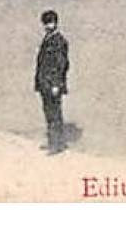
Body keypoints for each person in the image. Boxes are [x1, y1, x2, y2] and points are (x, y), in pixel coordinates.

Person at [35, 9, 71, 154]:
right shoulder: (48, 39)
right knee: (49, 112)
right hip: (45, 83)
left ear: (56, 23)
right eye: (46, 23)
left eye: (50, 23)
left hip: (53, 84)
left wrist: (57, 84)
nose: (48, 26)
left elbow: (62, 64)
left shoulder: (58, 41)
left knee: (54, 113)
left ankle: (57, 144)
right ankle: (53, 142)